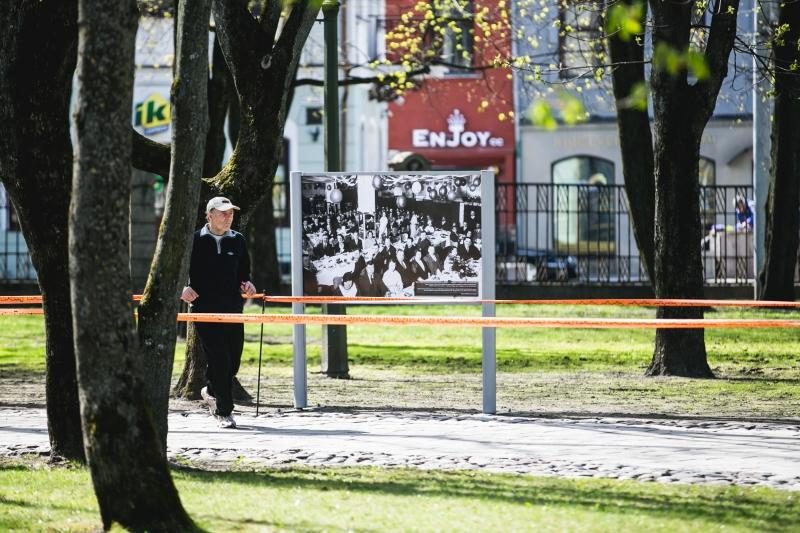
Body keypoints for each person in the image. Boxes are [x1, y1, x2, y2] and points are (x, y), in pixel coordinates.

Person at [181, 196, 256, 429]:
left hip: (233, 310)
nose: (228, 217)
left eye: (231, 213)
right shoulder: (194, 241)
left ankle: (211, 390)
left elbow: (245, 273)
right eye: (223, 213)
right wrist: (183, 288)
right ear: (209, 214)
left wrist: (248, 285)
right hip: (204, 311)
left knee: (233, 361)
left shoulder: (239, 241)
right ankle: (225, 412)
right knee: (220, 359)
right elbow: (181, 272)